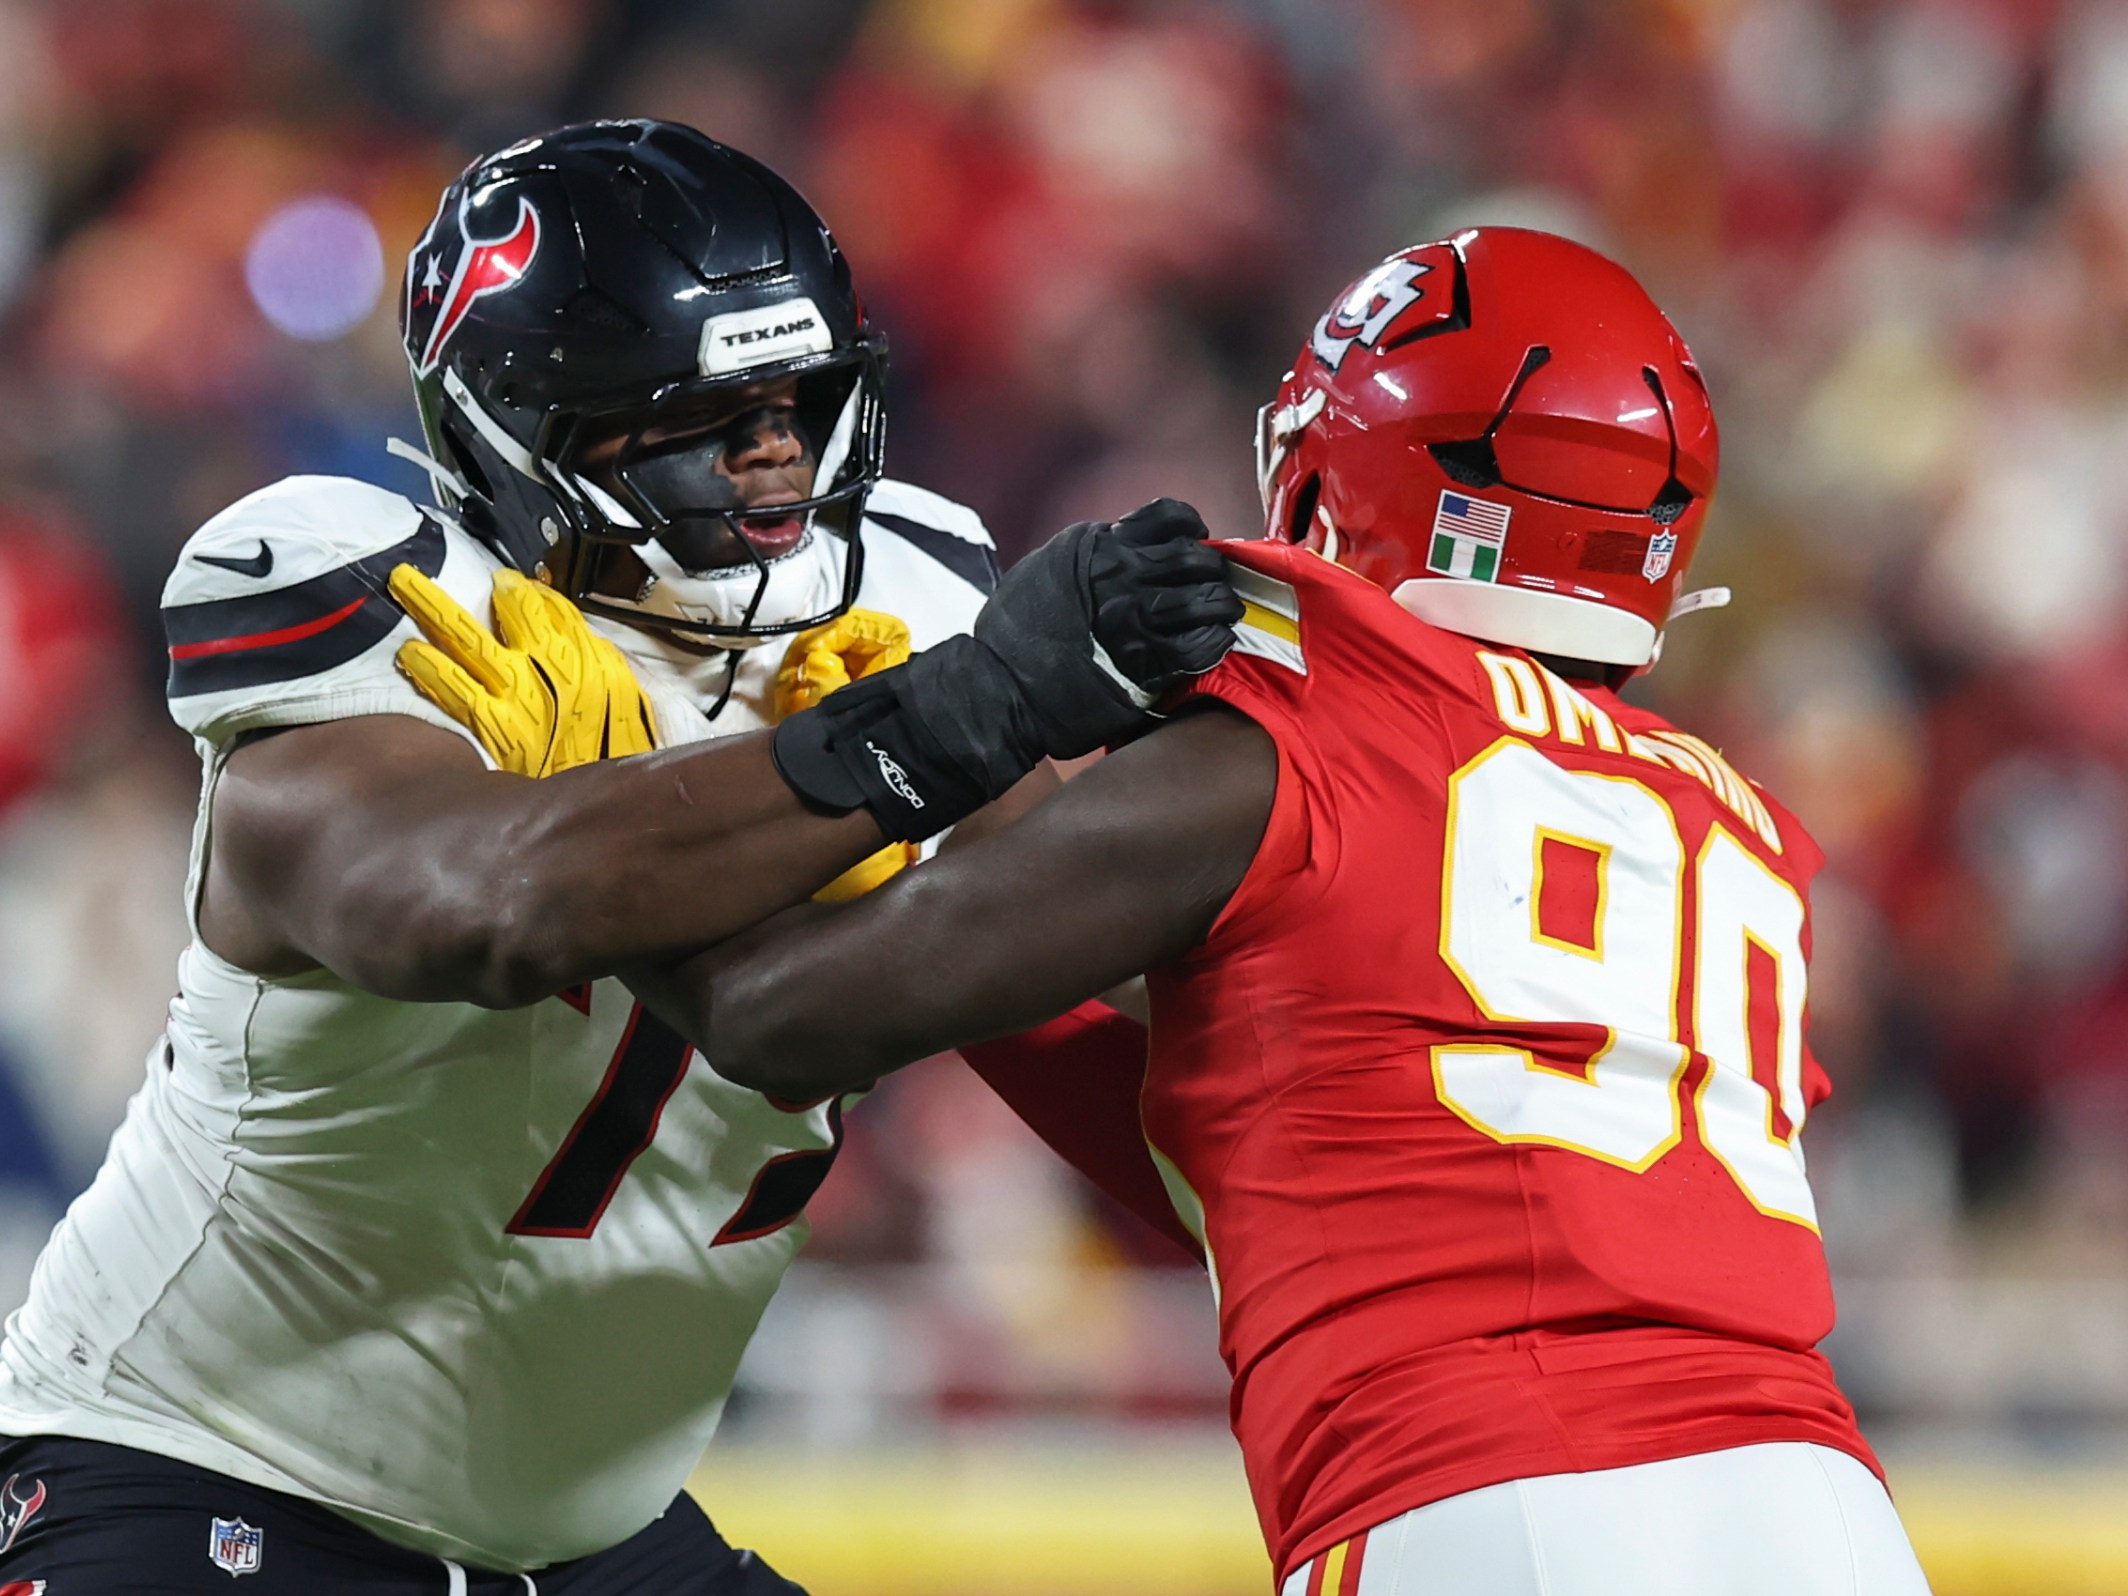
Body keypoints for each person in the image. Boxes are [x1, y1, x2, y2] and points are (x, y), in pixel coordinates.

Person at [0, 119, 1237, 1596]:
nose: (776, 453)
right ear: (520, 428)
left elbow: (1054, 949)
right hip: (199, 1469)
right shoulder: (378, 592)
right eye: (705, 414)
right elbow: (477, 907)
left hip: (589, 1539)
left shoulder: (907, 592)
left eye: (802, 399)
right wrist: (942, 725)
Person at [610, 229, 1934, 1595]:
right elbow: (1277, 1151)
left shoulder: (1291, 748)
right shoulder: (1730, 821)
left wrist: (627, 776)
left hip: (1484, 1498)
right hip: (1822, 1507)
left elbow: (778, 1014)